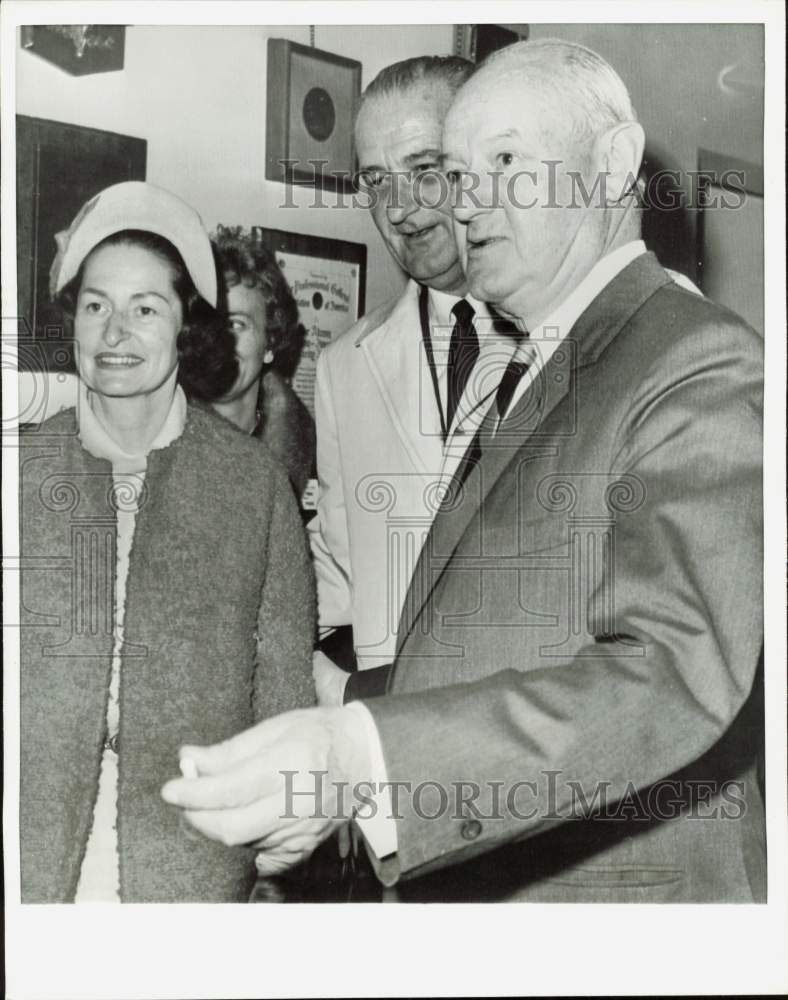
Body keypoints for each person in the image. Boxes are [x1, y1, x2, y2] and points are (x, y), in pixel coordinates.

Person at [161, 39, 764, 903]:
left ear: (614, 164)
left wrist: (366, 760)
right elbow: (470, 643)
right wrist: (349, 791)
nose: (465, 202)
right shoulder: (535, 365)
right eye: (461, 169)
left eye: (504, 161)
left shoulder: (696, 357)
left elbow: (675, 670)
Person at [19, 181, 315, 903]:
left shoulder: (251, 485)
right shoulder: (20, 474)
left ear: (188, 327)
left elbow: (282, 690)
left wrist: (275, 837)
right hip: (28, 861)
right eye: (96, 306)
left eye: (144, 308)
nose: (114, 332)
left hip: (192, 865)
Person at [309, 55, 520, 699]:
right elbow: (338, 582)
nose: (399, 211)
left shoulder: (565, 331)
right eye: (376, 181)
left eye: (424, 172)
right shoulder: (344, 363)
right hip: (391, 750)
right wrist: (345, 697)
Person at [211, 228, 316, 502]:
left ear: (269, 344)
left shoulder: (315, 461)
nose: (218, 341)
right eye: (209, 323)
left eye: (237, 324)